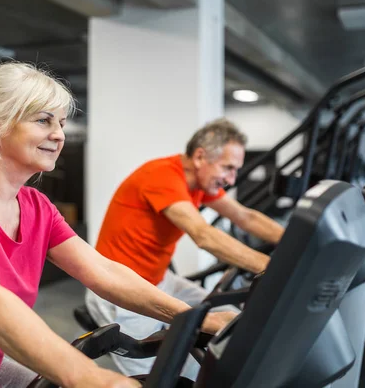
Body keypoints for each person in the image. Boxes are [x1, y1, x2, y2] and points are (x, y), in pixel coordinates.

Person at [0, 56, 236, 388]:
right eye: (45, 121)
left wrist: (194, 318)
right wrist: (93, 378)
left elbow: (102, 271)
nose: (59, 135)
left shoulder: (35, 207)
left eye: (62, 123)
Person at [85, 118, 286, 379]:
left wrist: (300, 241)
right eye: (228, 168)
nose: (232, 179)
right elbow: (204, 236)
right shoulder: (163, 176)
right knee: (155, 378)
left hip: (160, 281)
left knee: (231, 320)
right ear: (201, 156)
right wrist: (278, 268)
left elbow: (245, 217)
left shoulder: (200, 184)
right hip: (119, 290)